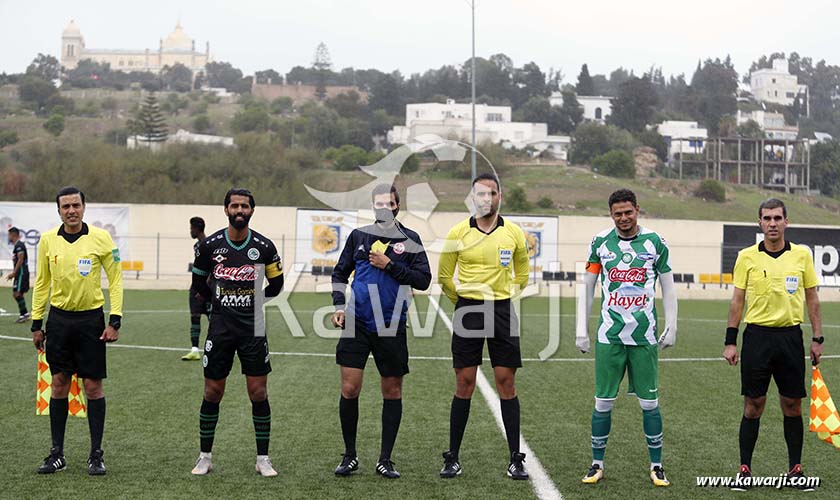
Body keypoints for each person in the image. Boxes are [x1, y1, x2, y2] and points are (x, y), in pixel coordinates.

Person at [576, 188, 677, 487]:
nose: (623, 218)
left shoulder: (655, 242)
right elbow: (588, 286)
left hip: (645, 337)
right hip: (610, 335)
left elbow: (668, 287)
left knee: (649, 403)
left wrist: (673, 325)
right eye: (617, 213)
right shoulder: (600, 243)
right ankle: (596, 464)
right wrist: (581, 328)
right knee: (602, 402)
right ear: (611, 215)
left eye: (628, 212)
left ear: (637, 210)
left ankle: (657, 466)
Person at [330, 184, 431, 479]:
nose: (383, 207)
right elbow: (339, 273)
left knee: (392, 390)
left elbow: (423, 280)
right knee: (349, 389)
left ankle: (385, 459)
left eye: (389, 203)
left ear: (398, 206)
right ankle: (350, 456)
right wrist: (338, 305)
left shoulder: (410, 240)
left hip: (391, 323)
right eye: (378, 203)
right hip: (356, 321)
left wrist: (390, 266)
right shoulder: (358, 236)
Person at [723, 198, 823, 492]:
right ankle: (744, 470)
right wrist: (731, 341)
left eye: (777, 218)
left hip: (790, 337)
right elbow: (737, 300)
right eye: (767, 218)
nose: (772, 223)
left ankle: (795, 470)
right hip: (757, 338)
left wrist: (817, 338)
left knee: (792, 405)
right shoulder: (746, 257)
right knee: (753, 405)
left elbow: (813, 298)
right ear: (760, 223)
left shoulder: (802, 256)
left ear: (786, 222)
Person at [438, 173, 530, 480]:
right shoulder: (458, 232)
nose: (485, 199)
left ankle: (516, 459)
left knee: (506, 382)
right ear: (473, 197)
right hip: (469, 310)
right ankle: (452, 457)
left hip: (502, 310)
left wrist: (503, 297)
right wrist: (464, 302)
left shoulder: (514, 233)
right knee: (464, 382)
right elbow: (445, 277)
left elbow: (523, 274)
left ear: (499, 196)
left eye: (491, 193)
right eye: (480, 194)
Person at [189, 188, 284, 477]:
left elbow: (277, 285)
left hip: (252, 327)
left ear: (252, 211)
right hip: (220, 326)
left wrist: (255, 301)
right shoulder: (210, 247)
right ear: (226, 210)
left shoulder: (265, 247)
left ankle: (263, 459)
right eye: (234, 206)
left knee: (258, 392)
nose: (239, 210)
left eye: (244, 206)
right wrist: (218, 302)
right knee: (212, 391)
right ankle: (205, 456)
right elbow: (199, 284)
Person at [31, 186, 124, 475]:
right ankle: (57, 453)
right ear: (58, 210)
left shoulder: (101, 238)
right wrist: (37, 322)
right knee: (58, 383)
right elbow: (42, 282)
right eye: (65, 206)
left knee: (92, 387)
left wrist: (115, 320)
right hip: (58, 321)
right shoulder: (47, 241)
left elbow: (116, 279)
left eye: (76, 205)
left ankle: (96, 455)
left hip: (91, 322)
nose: (71, 211)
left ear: (84, 207)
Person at [182, 216, 207, 361]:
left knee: (215, 320)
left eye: (191, 228)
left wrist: (203, 290)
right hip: (196, 287)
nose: (190, 231)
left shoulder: (207, 245)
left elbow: (210, 269)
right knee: (195, 317)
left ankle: (224, 347)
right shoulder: (197, 246)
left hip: (205, 289)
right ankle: (194, 350)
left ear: (197, 229)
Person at [6, 227, 31, 323]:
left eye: (9, 235)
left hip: (21, 273)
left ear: (13, 235)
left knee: (17, 294)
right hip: (19, 273)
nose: (8, 237)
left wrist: (14, 272)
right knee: (17, 294)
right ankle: (24, 314)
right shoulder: (17, 246)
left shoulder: (19, 245)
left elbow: (20, 259)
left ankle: (24, 314)